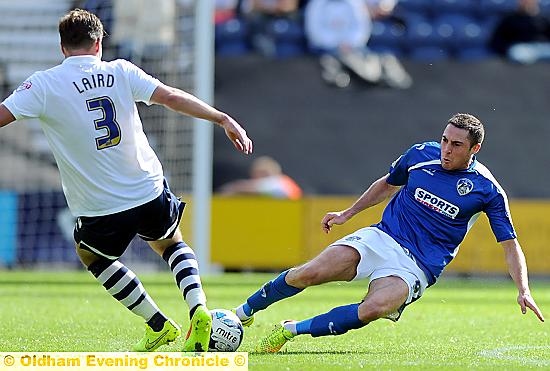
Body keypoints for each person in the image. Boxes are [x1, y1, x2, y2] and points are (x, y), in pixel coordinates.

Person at [0, 9, 253, 352]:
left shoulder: (43, 84)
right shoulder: (120, 70)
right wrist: (222, 118)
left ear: (62, 48)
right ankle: (198, 309)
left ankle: (158, 324)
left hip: (100, 205)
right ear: (100, 42)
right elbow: (172, 97)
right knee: (172, 244)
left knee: (93, 256)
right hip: (147, 188)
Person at [233, 113, 545, 353]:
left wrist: (523, 289)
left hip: (417, 266)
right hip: (382, 238)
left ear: (475, 149)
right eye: (445, 140)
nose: (447, 149)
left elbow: (510, 245)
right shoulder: (421, 155)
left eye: (456, 145)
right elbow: (386, 184)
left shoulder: (487, 190)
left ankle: (292, 330)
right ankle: (241, 313)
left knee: (373, 309)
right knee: (309, 273)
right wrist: (347, 214)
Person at [304, 0, 411, 89]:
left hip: (353, 47)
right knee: (334, 58)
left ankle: (379, 71)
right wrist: (337, 44)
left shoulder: (354, 3)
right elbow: (314, 32)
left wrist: (349, 43)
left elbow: (361, 29)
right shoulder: (316, 4)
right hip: (326, 49)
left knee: (363, 57)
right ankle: (342, 72)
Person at [219, 155, 302, 200]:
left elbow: (262, 187)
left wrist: (233, 189)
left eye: (261, 173)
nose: (256, 178)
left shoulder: (281, 182)